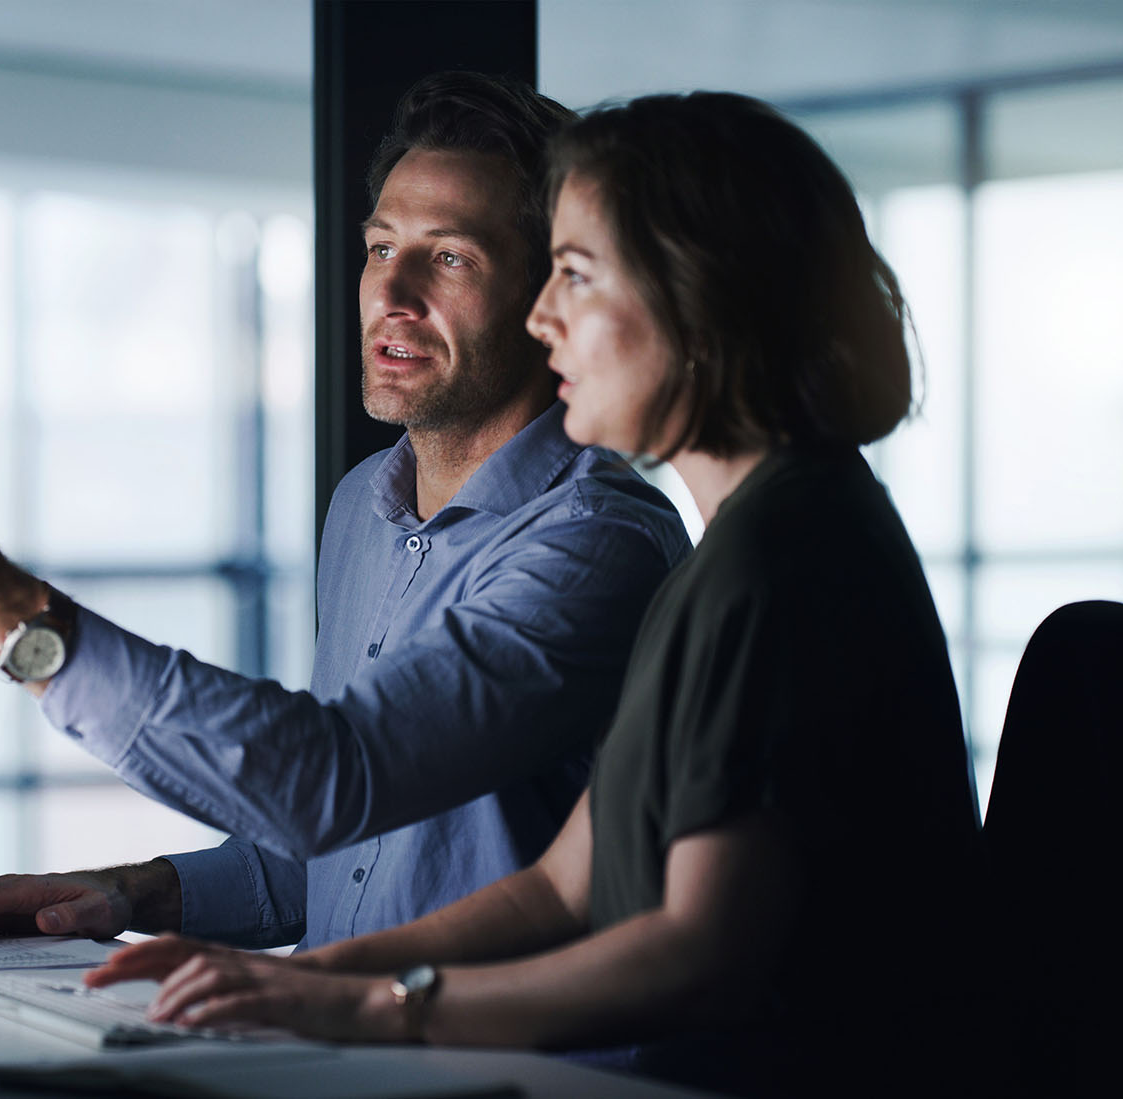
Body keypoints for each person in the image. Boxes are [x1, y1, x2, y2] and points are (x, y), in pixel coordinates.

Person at [83, 91, 980, 1097]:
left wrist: (371, 1011)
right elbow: (563, 884)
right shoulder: (743, 544)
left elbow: (699, 959)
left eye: (575, 274)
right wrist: (313, 975)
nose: (543, 314)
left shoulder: (775, 565)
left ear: (700, 301)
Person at [0, 73, 690, 952]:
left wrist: (11, 618)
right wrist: (121, 893)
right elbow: (335, 846)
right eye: (382, 248)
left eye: (450, 257)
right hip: (341, 1048)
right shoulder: (363, 507)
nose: (391, 292)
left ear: (547, 302)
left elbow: (334, 780)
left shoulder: (596, 544)